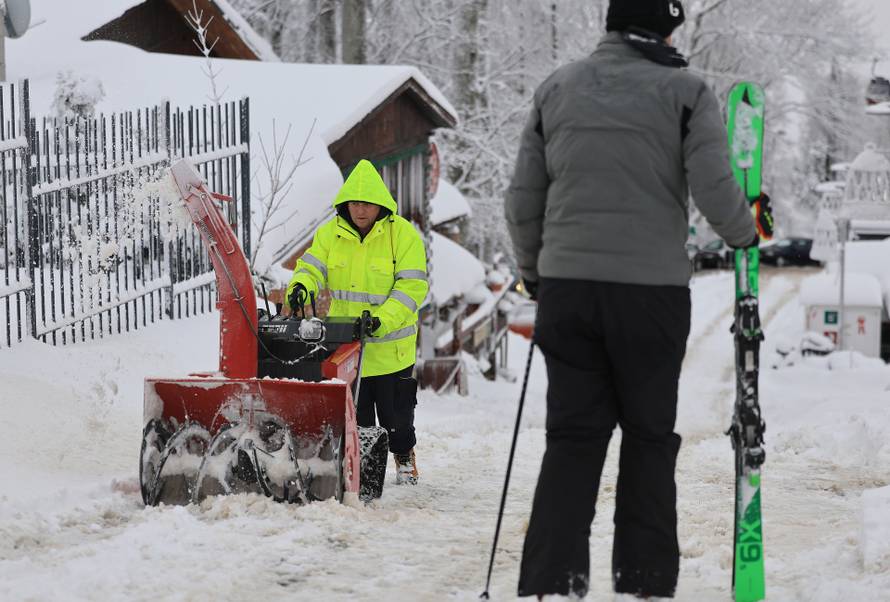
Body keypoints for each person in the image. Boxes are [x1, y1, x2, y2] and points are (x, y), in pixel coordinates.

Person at [504, 0, 773, 598]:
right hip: (650, 297)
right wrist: (746, 232)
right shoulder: (685, 92)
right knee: (649, 440)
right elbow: (712, 185)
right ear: (669, 26)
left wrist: (537, 273)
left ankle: (553, 581)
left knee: (572, 439)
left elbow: (524, 196)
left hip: (569, 292)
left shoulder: (557, 89)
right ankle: (645, 582)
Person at [286, 159, 429, 485]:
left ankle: (405, 461)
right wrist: (300, 287)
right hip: (348, 347)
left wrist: (382, 319)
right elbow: (311, 267)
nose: (360, 210)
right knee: (357, 419)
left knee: (398, 420)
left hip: (391, 350)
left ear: (380, 205)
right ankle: (362, 474)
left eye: (366, 203)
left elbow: (411, 288)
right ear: (345, 204)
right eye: (354, 203)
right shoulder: (330, 234)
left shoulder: (403, 236)